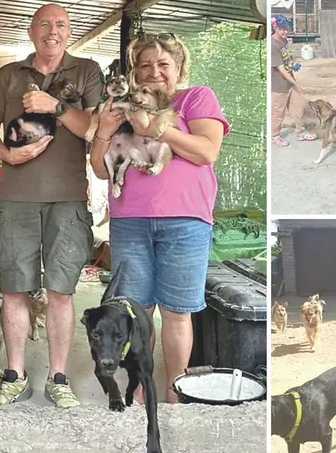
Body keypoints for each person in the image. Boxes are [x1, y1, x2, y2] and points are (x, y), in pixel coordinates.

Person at [88, 32, 230, 403]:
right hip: (130, 219)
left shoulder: (196, 98)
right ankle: (139, 387)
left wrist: (158, 129)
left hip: (186, 219)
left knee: (177, 312)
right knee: (135, 311)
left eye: (163, 64)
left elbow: (207, 151)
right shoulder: (124, 106)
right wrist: (103, 131)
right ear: (135, 72)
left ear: (179, 68)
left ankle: (174, 391)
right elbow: (101, 170)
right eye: (145, 65)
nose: (154, 72)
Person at [0, 3, 104, 408]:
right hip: (15, 199)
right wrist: (7, 157)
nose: (53, 31)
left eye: (62, 25)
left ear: (70, 32)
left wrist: (56, 107)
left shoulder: (86, 72)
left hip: (68, 198)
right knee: (14, 289)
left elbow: (93, 129)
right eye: (45, 24)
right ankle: (15, 373)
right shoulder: (7, 75)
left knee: (61, 292)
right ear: (31, 30)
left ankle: (58, 377)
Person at [270, 14, 316, 147]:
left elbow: (286, 62)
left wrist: (292, 66)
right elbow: (281, 70)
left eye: (286, 29)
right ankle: (275, 136)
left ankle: (300, 132)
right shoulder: (273, 45)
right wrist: (296, 83)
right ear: (275, 28)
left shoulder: (284, 41)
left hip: (290, 82)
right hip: (279, 86)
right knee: (278, 112)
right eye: (282, 29)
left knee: (298, 107)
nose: (285, 32)